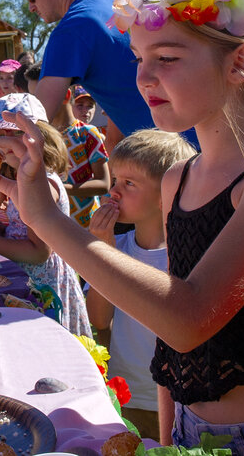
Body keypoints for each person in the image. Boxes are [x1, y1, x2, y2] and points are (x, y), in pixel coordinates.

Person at [0, 0, 244, 454]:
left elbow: (189, 314)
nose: (143, 78)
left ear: (240, 62)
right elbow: (171, 338)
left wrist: (46, 220)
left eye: (167, 58)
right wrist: (167, 431)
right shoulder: (178, 178)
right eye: (137, 58)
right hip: (185, 430)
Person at [0, 94, 93, 339]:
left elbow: (38, 252)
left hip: (44, 287)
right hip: (22, 279)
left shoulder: (44, 184)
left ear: (41, 136)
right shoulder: (18, 180)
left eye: (16, 134)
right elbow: (22, 229)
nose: (6, 142)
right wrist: (1, 231)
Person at [86, 128, 197, 445]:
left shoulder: (189, 256)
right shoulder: (117, 245)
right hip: (127, 391)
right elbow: (98, 319)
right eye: (115, 180)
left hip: (178, 398)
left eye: (129, 183)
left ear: (168, 194)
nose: (114, 191)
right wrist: (103, 251)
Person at [1, 0, 154, 147]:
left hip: (171, 153)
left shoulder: (71, 28)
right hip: (195, 138)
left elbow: (36, 120)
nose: (30, 7)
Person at [58, 85, 110, 227]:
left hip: (86, 222)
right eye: (80, 105)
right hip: (54, 223)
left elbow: (104, 184)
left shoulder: (88, 133)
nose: (85, 111)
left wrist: (61, 189)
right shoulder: (44, 134)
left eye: (90, 106)